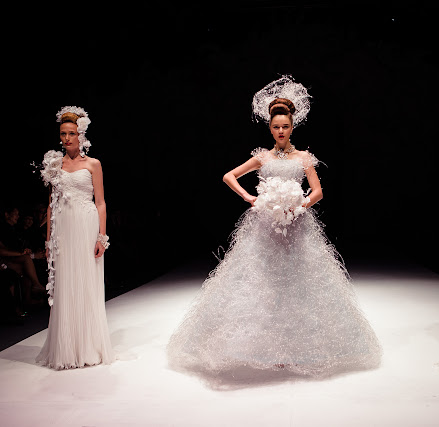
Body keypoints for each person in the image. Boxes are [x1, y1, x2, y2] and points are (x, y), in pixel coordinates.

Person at [167, 76, 381, 382]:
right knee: (261, 282)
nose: (281, 131)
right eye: (276, 126)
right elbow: (229, 176)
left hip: (297, 226)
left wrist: (298, 205)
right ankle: (263, 348)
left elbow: (318, 192)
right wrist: (251, 198)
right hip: (266, 227)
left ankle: (298, 348)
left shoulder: (303, 158)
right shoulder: (263, 157)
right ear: (270, 128)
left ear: (293, 127)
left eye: (285, 126)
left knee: (300, 282)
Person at [35, 106, 114, 370]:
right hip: (63, 229)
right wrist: (48, 239)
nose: (67, 138)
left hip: (86, 225)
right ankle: (66, 347)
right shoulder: (54, 165)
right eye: (63, 133)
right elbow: (51, 205)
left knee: (86, 281)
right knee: (65, 284)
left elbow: (101, 202)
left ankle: (88, 345)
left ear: (81, 135)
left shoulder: (93, 164)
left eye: (72, 133)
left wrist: (101, 237)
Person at [0, 212, 45, 307]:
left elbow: (5, 249)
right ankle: (33, 289)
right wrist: (21, 253)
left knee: (26, 265)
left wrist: (23, 252)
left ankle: (28, 297)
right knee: (23, 265)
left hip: (4, 259)